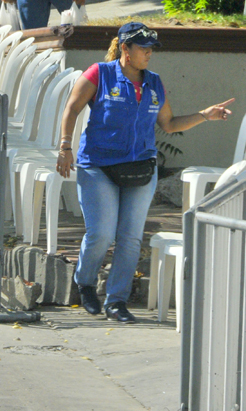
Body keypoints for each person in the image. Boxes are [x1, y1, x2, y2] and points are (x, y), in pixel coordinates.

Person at [56, 22, 235, 323]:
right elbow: (72, 109)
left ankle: (117, 301)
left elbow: (169, 124)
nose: (149, 53)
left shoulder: (154, 83)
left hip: (140, 168)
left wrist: (205, 116)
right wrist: (64, 147)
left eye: (152, 48)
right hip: (98, 165)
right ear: (125, 49)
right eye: (143, 48)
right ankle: (85, 281)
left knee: (129, 238)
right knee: (101, 233)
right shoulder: (99, 73)